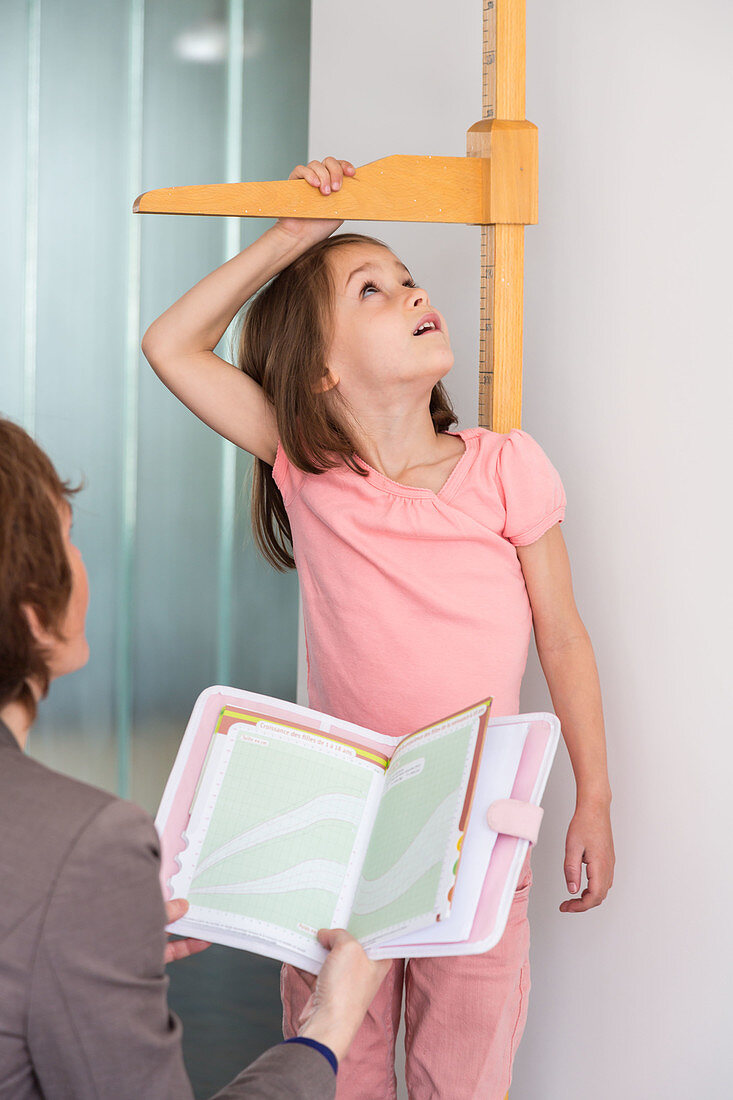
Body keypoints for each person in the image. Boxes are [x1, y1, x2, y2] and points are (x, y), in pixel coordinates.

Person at [141, 156, 616, 1099]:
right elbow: (172, 346)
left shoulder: (505, 471)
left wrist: (593, 798)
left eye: (407, 279)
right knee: (335, 1062)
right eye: (372, 288)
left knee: (463, 1072)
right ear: (320, 369)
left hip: (478, 826)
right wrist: (289, 235)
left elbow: (561, 637)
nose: (411, 291)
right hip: (341, 825)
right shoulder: (308, 468)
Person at [0, 417, 390, 1099]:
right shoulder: (85, 846)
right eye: (68, 536)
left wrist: (85, 941)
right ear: (33, 613)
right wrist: (326, 1030)